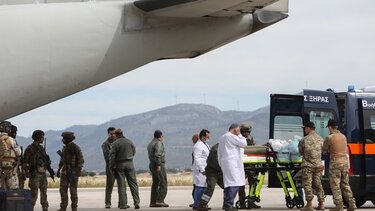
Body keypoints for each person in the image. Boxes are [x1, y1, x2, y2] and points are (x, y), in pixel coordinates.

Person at [323, 119, 356, 211]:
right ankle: (352, 204)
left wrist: (329, 150)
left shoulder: (329, 138)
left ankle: (339, 205)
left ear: (330, 127)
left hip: (335, 163)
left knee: (335, 184)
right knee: (345, 184)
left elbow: (324, 151)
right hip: (345, 163)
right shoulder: (343, 136)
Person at [218, 124, 247, 211]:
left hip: (226, 163)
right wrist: (239, 134)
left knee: (229, 184)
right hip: (232, 163)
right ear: (234, 129)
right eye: (238, 130)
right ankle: (229, 204)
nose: (239, 132)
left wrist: (221, 163)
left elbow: (219, 153)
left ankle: (227, 203)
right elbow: (244, 143)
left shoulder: (222, 137)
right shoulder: (230, 136)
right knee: (234, 184)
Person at [109, 128, 140, 209]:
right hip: (130, 163)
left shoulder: (115, 143)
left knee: (121, 185)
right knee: (133, 184)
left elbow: (112, 156)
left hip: (120, 165)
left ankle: (123, 204)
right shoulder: (129, 141)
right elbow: (134, 151)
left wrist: (111, 167)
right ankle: (136, 202)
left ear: (116, 134)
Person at [298, 121, 325, 211]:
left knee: (307, 184)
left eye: (305, 128)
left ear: (309, 128)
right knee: (318, 184)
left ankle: (309, 205)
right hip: (318, 165)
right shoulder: (321, 139)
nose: (304, 130)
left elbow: (301, 152)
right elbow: (324, 151)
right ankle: (321, 204)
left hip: (308, 166)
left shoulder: (304, 140)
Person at [23, 130, 51, 211]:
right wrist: (27, 172)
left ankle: (45, 208)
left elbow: (45, 160)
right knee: (33, 194)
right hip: (35, 174)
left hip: (42, 174)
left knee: (44, 194)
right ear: (37, 137)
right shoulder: (30, 148)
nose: (42, 138)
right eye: (41, 137)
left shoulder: (41, 148)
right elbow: (25, 162)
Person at [56, 132, 85, 211]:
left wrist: (78, 170)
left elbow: (81, 160)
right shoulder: (64, 148)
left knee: (73, 191)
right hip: (65, 172)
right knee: (62, 190)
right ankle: (63, 207)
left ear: (67, 139)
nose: (62, 140)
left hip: (73, 173)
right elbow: (62, 160)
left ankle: (74, 208)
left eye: (64, 138)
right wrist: (59, 170)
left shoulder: (76, 148)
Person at [238, 123, 260, 209]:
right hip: (242, 165)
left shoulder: (251, 138)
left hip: (250, 165)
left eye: (248, 131)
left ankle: (251, 201)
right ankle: (242, 202)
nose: (247, 133)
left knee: (253, 183)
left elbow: (253, 148)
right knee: (241, 185)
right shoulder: (239, 139)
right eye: (245, 131)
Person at [197, 143, 224, 211]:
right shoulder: (216, 150)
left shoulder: (225, 148)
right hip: (212, 171)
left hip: (220, 171)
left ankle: (227, 204)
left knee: (227, 187)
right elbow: (217, 163)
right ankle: (202, 205)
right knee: (210, 188)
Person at [147, 130, 168, 207]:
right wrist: (158, 165)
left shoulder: (150, 143)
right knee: (163, 182)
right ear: (160, 136)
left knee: (155, 183)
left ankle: (153, 202)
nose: (163, 138)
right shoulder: (158, 143)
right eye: (162, 136)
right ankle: (160, 200)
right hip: (158, 165)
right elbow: (158, 154)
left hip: (152, 164)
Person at [0, 121, 21, 190]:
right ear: (7, 129)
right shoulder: (11, 140)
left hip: (1, 170)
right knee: (13, 192)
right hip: (11, 169)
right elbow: (19, 152)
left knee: (2, 191)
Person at [192, 129, 211, 210]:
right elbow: (197, 158)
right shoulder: (198, 146)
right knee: (200, 187)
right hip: (200, 170)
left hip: (205, 168)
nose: (208, 138)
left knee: (203, 187)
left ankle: (202, 204)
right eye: (207, 136)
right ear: (203, 136)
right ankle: (197, 204)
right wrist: (202, 169)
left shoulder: (205, 144)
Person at [102, 127, 117, 209]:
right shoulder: (105, 144)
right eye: (111, 134)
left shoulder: (118, 142)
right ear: (108, 134)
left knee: (121, 185)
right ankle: (107, 203)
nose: (113, 135)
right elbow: (107, 157)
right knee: (109, 185)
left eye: (114, 133)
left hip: (119, 167)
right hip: (110, 167)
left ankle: (122, 202)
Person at [8, 124, 26, 189]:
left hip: (9, 168)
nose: (15, 134)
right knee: (14, 189)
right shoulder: (12, 141)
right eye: (14, 132)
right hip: (13, 169)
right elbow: (18, 153)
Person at [190, 133, 199, 208]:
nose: (192, 140)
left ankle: (197, 202)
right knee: (195, 186)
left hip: (198, 169)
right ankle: (196, 201)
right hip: (196, 169)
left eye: (193, 138)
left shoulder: (197, 147)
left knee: (197, 187)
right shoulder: (196, 146)